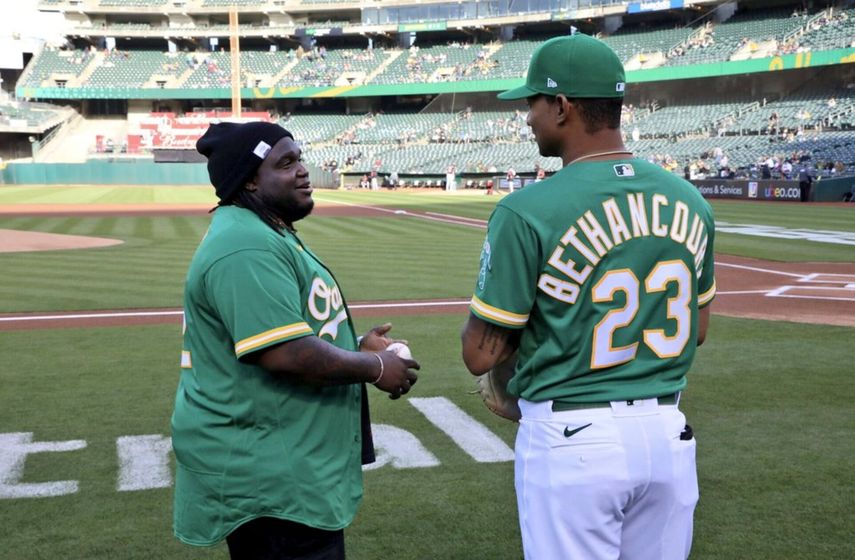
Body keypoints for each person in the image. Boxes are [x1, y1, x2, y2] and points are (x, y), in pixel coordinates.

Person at [460, 34, 716, 560]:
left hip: (573, 437)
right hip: (668, 434)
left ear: (562, 105)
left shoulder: (525, 209)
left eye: (532, 103)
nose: (527, 117)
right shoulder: (689, 198)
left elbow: (479, 355)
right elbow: (700, 328)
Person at [172, 122, 420, 559]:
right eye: (285, 163)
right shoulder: (244, 244)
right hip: (270, 475)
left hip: (285, 462)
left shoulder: (266, 230)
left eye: (300, 158)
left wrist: (355, 346)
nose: (303, 170)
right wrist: (376, 367)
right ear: (249, 179)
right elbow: (285, 352)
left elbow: (294, 329)